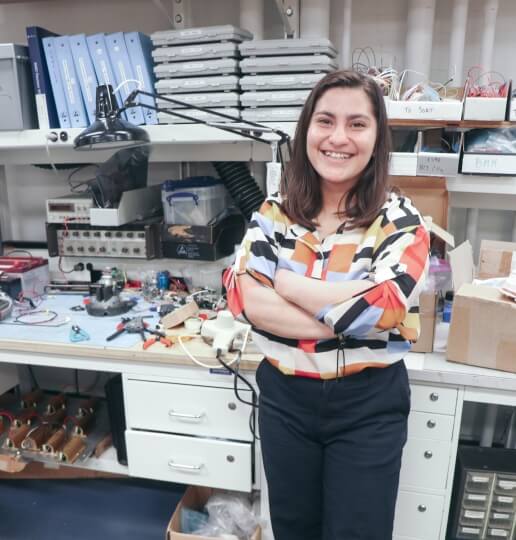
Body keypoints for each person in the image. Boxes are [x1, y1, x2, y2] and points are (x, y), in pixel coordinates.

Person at [224, 70, 430, 540]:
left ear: (377, 138)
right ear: (306, 132)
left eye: (357, 124)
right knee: (293, 531)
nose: (338, 137)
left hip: (368, 406)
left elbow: (386, 308)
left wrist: (286, 283)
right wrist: (352, 315)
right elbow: (242, 296)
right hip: (285, 401)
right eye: (325, 121)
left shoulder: (400, 220)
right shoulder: (273, 213)